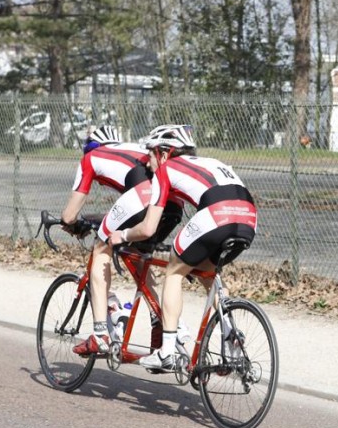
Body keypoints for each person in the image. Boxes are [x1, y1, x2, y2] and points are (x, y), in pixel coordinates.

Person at [107, 124, 257, 372]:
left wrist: (121, 235)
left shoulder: (166, 170)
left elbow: (147, 228)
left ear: (165, 153)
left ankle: (166, 351)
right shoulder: (211, 161)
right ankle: (232, 337)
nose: (146, 163)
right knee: (209, 271)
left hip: (217, 214)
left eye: (151, 154)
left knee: (174, 271)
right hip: (248, 218)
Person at [60, 125, 181, 357]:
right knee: (138, 254)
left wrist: (72, 225)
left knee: (101, 247)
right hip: (172, 204)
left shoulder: (91, 158)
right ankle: (160, 321)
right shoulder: (134, 149)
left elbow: (69, 215)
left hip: (143, 197)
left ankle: (99, 335)